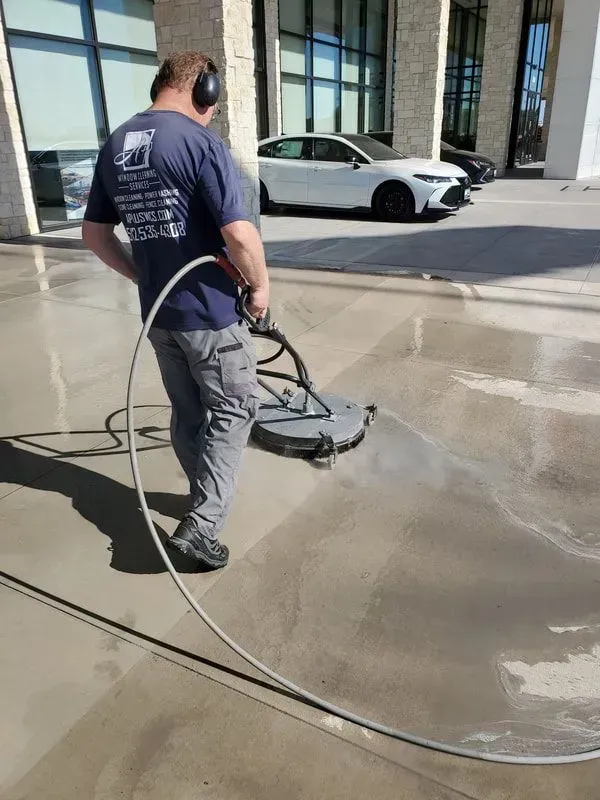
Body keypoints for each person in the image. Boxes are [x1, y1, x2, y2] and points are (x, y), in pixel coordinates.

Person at [82, 51, 269, 571]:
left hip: (160, 316)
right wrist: (259, 290)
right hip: (212, 316)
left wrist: (146, 277)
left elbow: (94, 236)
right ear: (203, 90)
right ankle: (202, 525)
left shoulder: (116, 143)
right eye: (213, 102)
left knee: (189, 413)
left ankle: (199, 498)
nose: (212, 112)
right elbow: (238, 234)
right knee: (234, 412)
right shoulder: (199, 141)